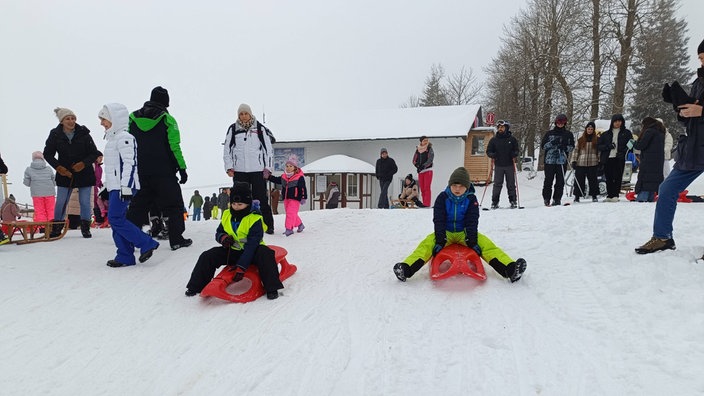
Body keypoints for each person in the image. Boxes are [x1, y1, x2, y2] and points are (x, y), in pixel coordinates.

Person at [392, 167, 527, 282]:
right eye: (454, 185)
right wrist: (440, 239)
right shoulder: (442, 198)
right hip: (446, 233)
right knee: (426, 246)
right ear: (450, 185)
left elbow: (472, 220)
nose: (457, 189)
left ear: (467, 187)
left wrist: (472, 240)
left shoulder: (471, 199)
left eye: (461, 186)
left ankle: (510, 269)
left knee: (487, 245)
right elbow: (438, 220)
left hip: (464, 233)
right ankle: (406, 269)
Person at [636, 39, 704, 254]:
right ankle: (663, 237)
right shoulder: (699, 82)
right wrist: (681, 110)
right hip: (694, 147)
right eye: (700, 59)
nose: (701, 62)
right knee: (667, 189)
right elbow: (691, 117)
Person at [185, 182, 284, 299]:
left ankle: (271, 288)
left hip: (253, 252)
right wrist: (223, 238)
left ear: (247, 203)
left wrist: (241, 267)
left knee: (266, 255)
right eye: (234, 204)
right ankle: (196, 286)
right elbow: (219, 232)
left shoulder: (255, 218)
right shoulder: (227, 214)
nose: (236, 207)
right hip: (233, 250)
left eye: (240, 204)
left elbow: (252, 245)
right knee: (208, 256)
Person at [126, 86, 192, 251]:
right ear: (166, 102)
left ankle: (129, 239)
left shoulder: (132, 118)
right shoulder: (167, 119)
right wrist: (182, 168)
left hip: (140, 171)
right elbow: (174, 146)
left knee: (138, 206)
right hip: (164, 171)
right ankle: (176, 239)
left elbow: (128, 144)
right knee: (174, 205)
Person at [98, 103, 160, 267]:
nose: (101, 123)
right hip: (115, 186)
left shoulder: (125, 137)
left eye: (104, 119)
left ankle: (146, 243)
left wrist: (126, 186)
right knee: (117, 219)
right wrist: (107, 187)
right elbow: (113, 168)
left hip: (124, 185)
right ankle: (125, 256)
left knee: (115, 218)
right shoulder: (112, 140)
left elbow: (130, 164)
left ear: (114, 119)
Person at [43, 107, 101, 238]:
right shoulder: (55, 134)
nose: (71, 121)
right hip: (65, 173)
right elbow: (48, 154)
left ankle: (85, 228)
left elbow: (94, 153)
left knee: (85, 202)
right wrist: (59, 167)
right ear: (62, 121)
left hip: (84, 172)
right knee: (61, 201)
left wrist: (83, 164)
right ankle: (57, 227)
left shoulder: (84, 133)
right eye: (68, 118)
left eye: (73, 118)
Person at [223, 103, 276, 234]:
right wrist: (229, 167)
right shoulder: (233, 129)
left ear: (250, 114)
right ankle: (239, 225)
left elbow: (268, 150)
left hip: (257, 170)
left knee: (261, 198)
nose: (244, 116)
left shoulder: (259, 128)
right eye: (241, 114)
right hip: (239, 171)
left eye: (246, 113)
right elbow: (227, 150)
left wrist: (268, 168)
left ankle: (268, 225)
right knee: (239, 199)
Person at [265, 156, 307, 236]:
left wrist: (303, 197)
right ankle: (300, 225)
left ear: (295, 168)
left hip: (295, 198)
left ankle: (289, 229)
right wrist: (268, 177)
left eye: (290, 166)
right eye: (287, 166)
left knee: (290, 213)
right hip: (286, 198)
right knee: (291, 213)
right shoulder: (284, 176)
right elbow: (276, 180)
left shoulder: (299, 177)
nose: (288, 168)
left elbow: (303, 188)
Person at [540, 114, 575, 206]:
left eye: (562, 122)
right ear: (556, 122)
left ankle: (557, 199)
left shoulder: (568, 134)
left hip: (561, 161)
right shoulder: (549, 133)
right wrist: (552, 143)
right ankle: (546, 198)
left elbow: (571, 147)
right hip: (549, 161)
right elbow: (543, 146)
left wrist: (565, 147)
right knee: (548, 180)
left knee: (560, 181)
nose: (560, 124)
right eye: (558, 122)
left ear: (565, 123)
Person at [597, 114, 632, 202]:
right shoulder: (606, 134)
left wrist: (623, 152)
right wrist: (608, 146)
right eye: (615, 121)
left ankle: (615, 195)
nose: (617, 123)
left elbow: (631, 145)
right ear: (612, 122)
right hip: (607, 157)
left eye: (619, 121)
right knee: (608, 177)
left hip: (619, 158)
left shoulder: (627, 133)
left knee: (618, 176)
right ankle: (609, 195)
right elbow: (598, 146)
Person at [486, 120, 519, 209]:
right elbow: (488, 151)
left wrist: (514, 154)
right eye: (499, 127)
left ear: (506, 128)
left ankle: (513, 201)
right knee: (497, 184)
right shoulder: (494, 140)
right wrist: (493, 155)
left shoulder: (512, 139)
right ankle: (494, 202)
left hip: (509, 165)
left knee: (511, 184)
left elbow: (517, 150)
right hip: (499, 165)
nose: (500, 129)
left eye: (502, 127)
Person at [632, 117, 666, 202]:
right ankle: (651, 198)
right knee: (654, 180)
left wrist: (634, 143)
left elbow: (642, 145)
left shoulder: (649, 131)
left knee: (645, 179)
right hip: (658, 160)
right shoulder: (660, 131)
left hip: (648, 159)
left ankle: (642, 198)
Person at [570, 121, 600, 203]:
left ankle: (594, 196)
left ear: (593, 130)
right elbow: (575, 151)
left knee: (593, 180)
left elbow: (599, 151)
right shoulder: (580, 140)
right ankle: (577, 196)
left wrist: (600, 161)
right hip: (581, 163)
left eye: (591, 129)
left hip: (593, 163)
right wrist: (574, 161)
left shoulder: (597, 140)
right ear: (586, 129)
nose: (590, 130)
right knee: (579, 181)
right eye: (588, 129)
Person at [23, 151, 56, 224]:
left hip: (36, 194)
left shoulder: (28, 169)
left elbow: (27, 183)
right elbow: (54, 181)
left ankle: (42, 228)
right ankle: (53, 227)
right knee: (51, 210)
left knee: (39, 211)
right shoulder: (48, 169)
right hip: (50, 193)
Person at [412, 136, 434, 206]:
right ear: (421, 141)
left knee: (427, 187)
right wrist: (418, 166)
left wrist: (423, 166)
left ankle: (427, 203)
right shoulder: (417, 150)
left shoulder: (429, 149)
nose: (426, 142)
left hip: (428, 170)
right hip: (420, 171)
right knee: (422, 188)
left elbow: (430, 159)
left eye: (427, 140)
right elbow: (414, 160)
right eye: (424, 140)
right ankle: (424, 203)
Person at [93, 154, 108, 225]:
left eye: (102, 158)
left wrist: (102, 185)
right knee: (95, 202)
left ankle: (101, 218)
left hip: (97, 187)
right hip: (92, 186)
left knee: (99, 201)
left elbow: (99, 179)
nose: (101, 159)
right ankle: (98, 218)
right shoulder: (94, 166)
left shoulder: (100, 168)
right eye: (99, 157)